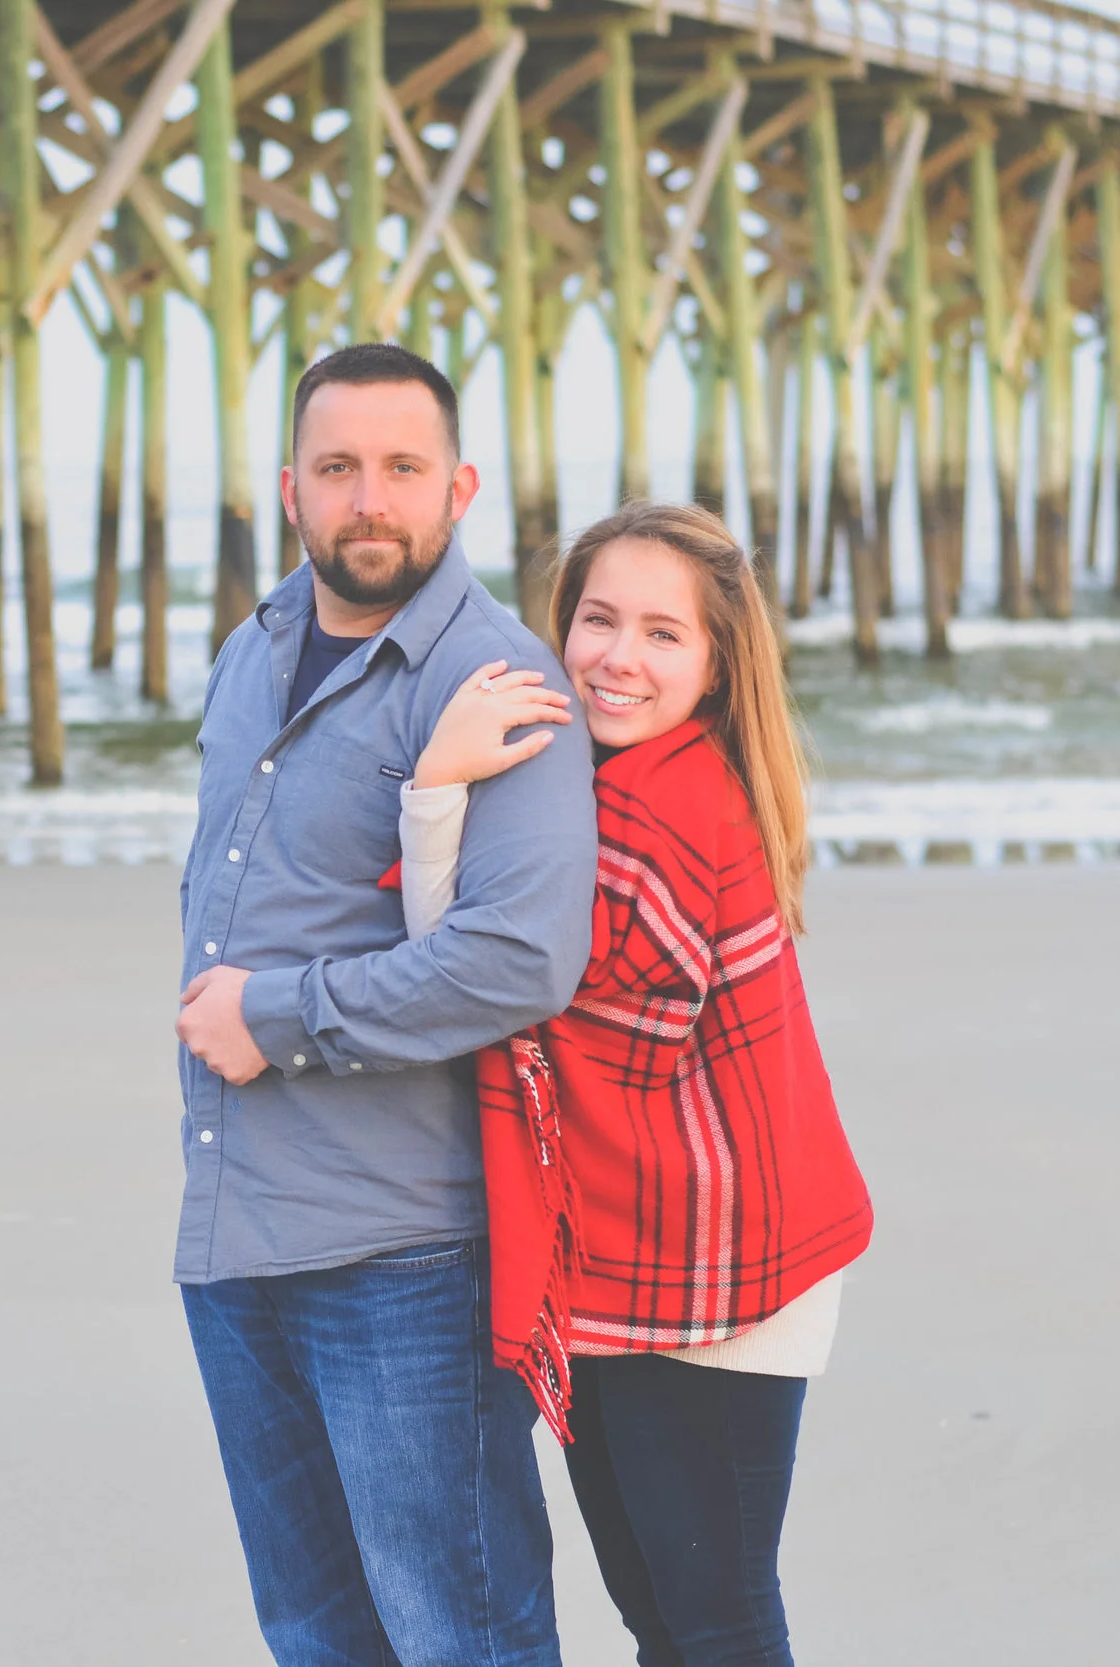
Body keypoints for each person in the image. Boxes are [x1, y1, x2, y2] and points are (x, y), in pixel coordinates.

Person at [171, 343, 595, 1664]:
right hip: (237, 1237)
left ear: (457, 486)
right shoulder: (255, 648)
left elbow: (518, 960)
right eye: (339, 467)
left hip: (406, 1260)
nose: (371, 498)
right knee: (314, 1632)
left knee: (462, 1633)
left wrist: (277, 1014)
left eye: (402, 468)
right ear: (288, 487)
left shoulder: (501, 683)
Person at [393, 501, 874, 1667]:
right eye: (597, 618)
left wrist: (434, 787)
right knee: (666, 1617)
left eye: (663, 634)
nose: (618, 655)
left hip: (719, 1274)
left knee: (713, 1619)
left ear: (713, 668)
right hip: (631, 1252)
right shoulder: (599, 787)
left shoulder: (658, 811)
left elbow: (478, 980)